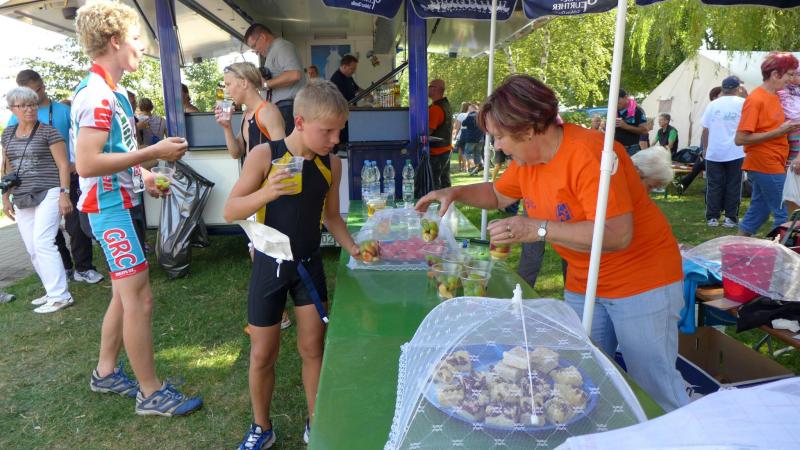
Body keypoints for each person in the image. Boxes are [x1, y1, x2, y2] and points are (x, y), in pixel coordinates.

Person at [417, 75, 688, 412]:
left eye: (500, 137)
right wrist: (455, 192)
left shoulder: (590, 153)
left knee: (654, 386)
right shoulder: (527, 162)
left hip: (641, 280)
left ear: (529, 130)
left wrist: (539, 229)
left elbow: (617, 234)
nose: (497, 147)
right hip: (584, 282)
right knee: (585, 379)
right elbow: (498, 194)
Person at [72, 0, 202, 416]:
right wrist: (154, 152)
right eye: (136, 39)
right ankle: (150, 393)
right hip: (107, 209)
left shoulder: (114, 93)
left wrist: (144, 175)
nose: (143, 48)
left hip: (119, 202)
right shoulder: (98, 96)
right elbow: (86, 163)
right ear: (114, 40)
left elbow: (115, 151)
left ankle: (106, 372)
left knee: (122, 294)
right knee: (139, 299)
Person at [223, 80, 360, 448]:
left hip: (308, 266)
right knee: (262, 354)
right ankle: (261, 427)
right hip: (270, 265)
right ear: (299, 122)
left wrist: (353, 247)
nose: (335, 139)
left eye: (339, 130)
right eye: (327, 131)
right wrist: (268, 191)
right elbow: (230, 210)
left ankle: (317, 421)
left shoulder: (331, 164)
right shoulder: (264, 155)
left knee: (313, 349)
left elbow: (332, 216)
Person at [9, 69, 103, 284]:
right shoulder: (15, 117)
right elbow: (11, 151)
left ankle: (84, 268)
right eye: (28, 93)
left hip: (68, 175)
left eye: (37, 90)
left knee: (76, 224)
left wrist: (78, 163)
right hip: (36, 182)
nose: (34, 97)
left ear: (43, 85)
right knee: (46, 231)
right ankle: (64, 267)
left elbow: (81, 139)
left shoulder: (64, 111)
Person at [2, 86, 74, 313]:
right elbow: (7, 168)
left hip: (49, 190)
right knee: (32, 247)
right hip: (22, 195)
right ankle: (51, 290)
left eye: (32, 104)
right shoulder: (7, 134)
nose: (29, 109)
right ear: (12, 109)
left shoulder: (48, 132)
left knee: (43, 242)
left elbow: (63, 165)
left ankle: (61, 296)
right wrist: (5, 197)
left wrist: (64, 194)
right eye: (23, 106)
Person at [736, 52, 800, 237]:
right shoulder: (756, 99)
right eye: (789, 74)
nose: (791, 79)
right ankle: (783, 253)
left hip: (774, 162)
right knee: (785, 214)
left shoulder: (778, 97)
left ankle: (736, 248)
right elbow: (740, 138)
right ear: (775, 75)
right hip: (764, 163)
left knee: (758, 212)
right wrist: (778, 132)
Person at [245, 23, 307, 135]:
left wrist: (266, 84)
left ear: (263, 37)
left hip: (287, 108)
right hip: (283, 108)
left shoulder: (282, 47)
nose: (256, 51)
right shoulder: (274, 51)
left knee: (285, 145)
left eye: (254, 46)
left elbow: (295, 74)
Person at [216, 62, 285, 161]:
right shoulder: (246, 113)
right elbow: (236, 153)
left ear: (244, 83)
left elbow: (283, 156)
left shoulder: (268, 111)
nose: (226, 90)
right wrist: (227, 127)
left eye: (228, 84)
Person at [702, 76, 746, 228]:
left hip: (714, 152)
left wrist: (706, 149)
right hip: (736, 151)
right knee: (734, 185)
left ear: (723, 89)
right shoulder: (743, 103)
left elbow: (705, 129)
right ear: (737, 89)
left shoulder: (712, 104)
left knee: (714, 185)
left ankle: (712, 218)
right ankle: (730, 218)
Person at [780, 69, 800, 213]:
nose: (794, 78)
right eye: (791, 74)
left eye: (797, 75)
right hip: (786, 136)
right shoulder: (781, 93)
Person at [428, 79, 453, 189]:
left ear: (436, 89)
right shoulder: (445, 105)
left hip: (437, 152)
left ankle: (438, 200)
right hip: (445, 150)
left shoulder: (436, 109)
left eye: (430, 86)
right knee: (445, 183)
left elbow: (428, 131)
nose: (427, 88)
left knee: (435, 184)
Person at [614, 89, 648, 155]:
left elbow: (644, 131)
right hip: (616, 149)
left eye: (617, 99)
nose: (615, 102)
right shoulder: (612, 111)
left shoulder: (638, 111)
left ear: (625, 97)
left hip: (632, 150)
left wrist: (626, 126)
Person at [461, 104, 485, 175]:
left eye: (469, 109)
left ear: (472, 109)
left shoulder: (470, 116)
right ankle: (480, 165)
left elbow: (463, 123)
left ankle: (473, 166)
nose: (468, 110)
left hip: (471, 138)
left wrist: (468, 115)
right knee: (477, 153)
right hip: (480, 138)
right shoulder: (481, 116)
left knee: (467, 153)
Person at [452, 102, 471, 173]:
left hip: (460, 135)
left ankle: (461, 166)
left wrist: (454, 136)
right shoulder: (470, 114)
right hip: (469, 135)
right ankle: (467, 167)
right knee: (467, 152)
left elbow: (457, 127)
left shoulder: (460, 115)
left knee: (461, 152)